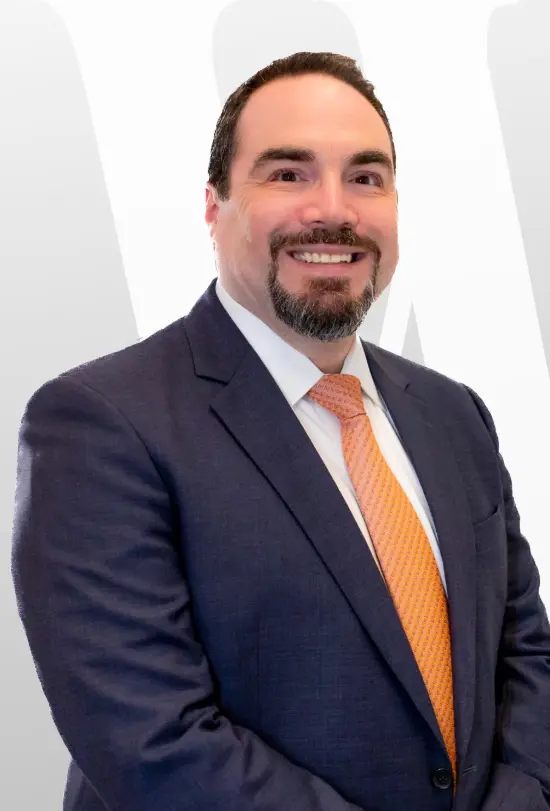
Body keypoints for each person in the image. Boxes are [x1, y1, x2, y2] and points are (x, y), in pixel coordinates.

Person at [11, 50, 550, 811]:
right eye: (287, 173)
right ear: (213, 206)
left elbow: (524, 655)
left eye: (366, 176)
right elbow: (153, 742)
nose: (333, 209)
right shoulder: (99, 422)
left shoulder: (454, 414)